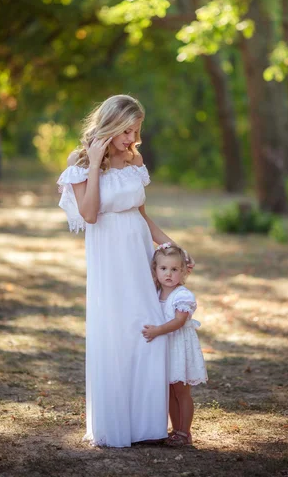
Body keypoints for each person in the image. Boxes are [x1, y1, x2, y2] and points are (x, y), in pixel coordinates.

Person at [57, 95, 193, 448]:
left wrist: (173, 249)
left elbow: (143, 216)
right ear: (111, 124)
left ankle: (147, 426)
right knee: (116, 332)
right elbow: (89, 214)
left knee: (147, 329)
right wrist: (97, 161)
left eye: (136, 130)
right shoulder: (81, 161)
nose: (132, 137)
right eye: (126, 130)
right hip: (109, 258)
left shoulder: (136, 160)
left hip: (138, 255)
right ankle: (116, 426)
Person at [142, 243, 207, 447]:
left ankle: (184, 432)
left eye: (174, 269)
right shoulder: (155, 292)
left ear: (184, 271)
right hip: (165, 349)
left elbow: (179, 322)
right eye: (163, 269)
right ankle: (175, 429)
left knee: (181, 391)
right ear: (155, 270)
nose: (168, 274)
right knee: (169, 391)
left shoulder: (182, 296)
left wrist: (157, 331)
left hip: (179, 348)